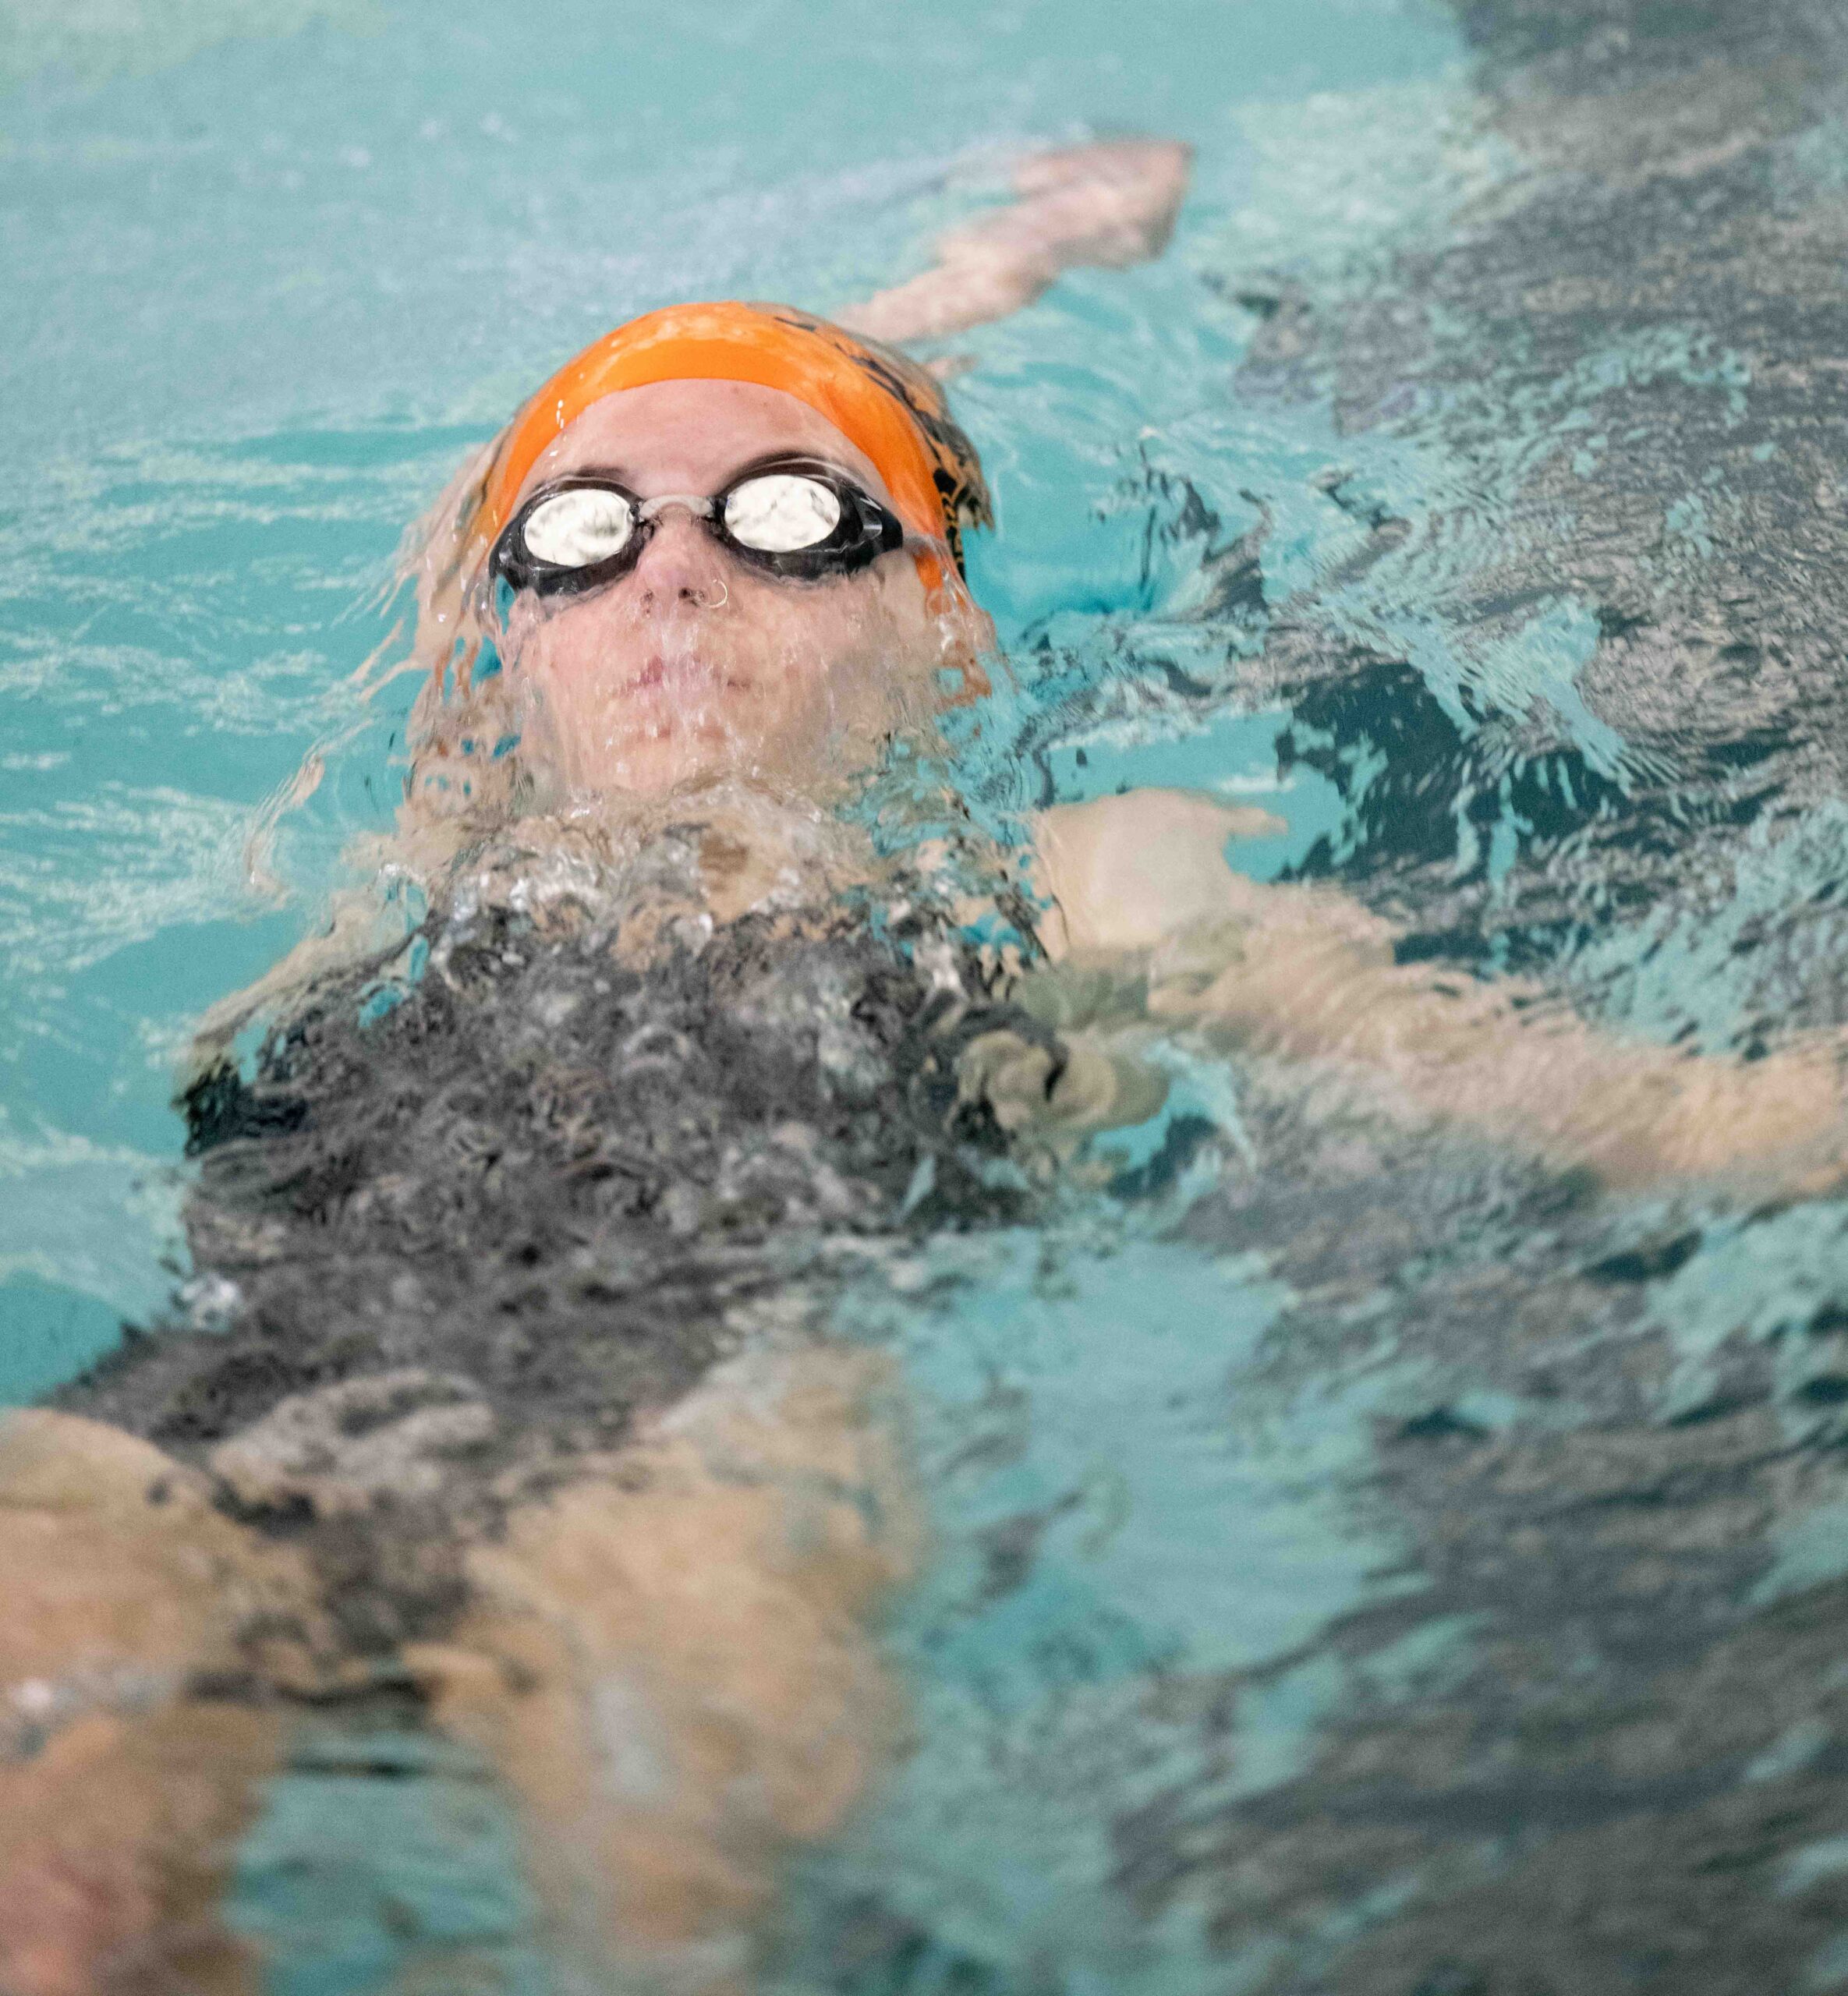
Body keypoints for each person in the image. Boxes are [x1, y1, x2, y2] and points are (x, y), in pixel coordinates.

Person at [5, 134, 1846, 1996]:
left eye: (788, 519)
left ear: (938, 621)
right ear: (507, 644)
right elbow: (593, 476)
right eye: (583, 534)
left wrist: (997, 290)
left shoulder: (1085, 881)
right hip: (208, 1409)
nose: (669, 573)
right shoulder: (415, 855)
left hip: (706, 1433)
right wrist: (1013, 261)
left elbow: (1664, 1116)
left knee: (657, 1914)